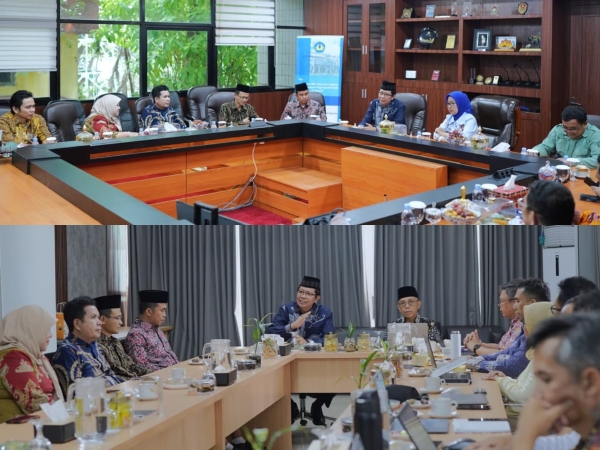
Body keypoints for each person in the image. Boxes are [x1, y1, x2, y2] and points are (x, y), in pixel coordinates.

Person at [509, 312, 600, 450]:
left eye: (546, 380)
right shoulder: (588, 435)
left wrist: (525, 438)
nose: (534, 395)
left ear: (590, 383)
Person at [266, 276, 335, 426]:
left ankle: (317, 406)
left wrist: (308, 343)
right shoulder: (286, 309)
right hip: (287, 361)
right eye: (301, 292)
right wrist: (292, 326)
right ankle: (291, 407)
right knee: (271, 379)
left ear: (316, 298)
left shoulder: (324, 313)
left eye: (308, 293)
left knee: (337, 374)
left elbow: (330, 338)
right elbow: (270, 331)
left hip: (315, 363)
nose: (303, 296)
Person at [483, 302, 553, 422]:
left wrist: (499, 380)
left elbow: (522, 396)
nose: (524, 329)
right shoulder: (537, 352)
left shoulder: (545, 358)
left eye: (527, 324)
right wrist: (504, 378)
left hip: (520, 420)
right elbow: (524, 386)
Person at [467, 278, 550, 378]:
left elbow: (513, 367)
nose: (515, 306)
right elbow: (506, 352)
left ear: (531, 303)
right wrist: (475, 360)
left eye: (517, 301)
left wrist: (474, 363)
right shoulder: (525, 329)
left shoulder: (541, 332)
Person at [0, 306, 64, 423]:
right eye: (46, 330)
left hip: (37, 424)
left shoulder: (36, 357)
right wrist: (66, 414)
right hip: (14, 430)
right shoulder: (12, 357)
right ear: (30, 330)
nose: (51, 335)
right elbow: (34, 402)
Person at [52, 297, 124, 396]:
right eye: (93, 317)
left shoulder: (95, 345)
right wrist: (108, 381)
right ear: (77, 324)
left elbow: (113, 376)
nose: (99, 322)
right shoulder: (68, 351)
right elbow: (76, 393)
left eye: (98, 317)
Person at [95, 294, 152, 379]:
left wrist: (152, 373)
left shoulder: (115, 341)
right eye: (117, 318)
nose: (121, 322)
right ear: (103, 319)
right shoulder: (97, 346)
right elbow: (111, 376)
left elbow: (131, 366)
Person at [464, 279, 524, 356]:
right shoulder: (515, 323)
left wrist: (475, 347)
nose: (499, 305)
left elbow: (505, 354)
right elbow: (501, 347)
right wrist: (480, 344)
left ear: (514, 302)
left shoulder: (522, 325)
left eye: (501, 301)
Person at [123, 290, 178, 372]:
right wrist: (170, 371)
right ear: (149, 311)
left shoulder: (158, 330)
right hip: (161, 376)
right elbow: (142, 367)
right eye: (162, 310)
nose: (165, 315)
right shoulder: (136, 335)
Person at [533, 105, 600, 169]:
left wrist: (573, 162)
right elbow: (545, 147)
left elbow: (597, 160)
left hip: (583, 172)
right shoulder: (558, 129)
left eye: (573, 128)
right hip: (560, 170)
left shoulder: (595, 135)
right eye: (565, 127)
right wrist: (536, 152)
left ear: (585, 124)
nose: (568, 131)